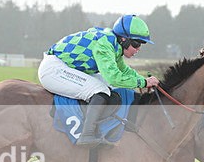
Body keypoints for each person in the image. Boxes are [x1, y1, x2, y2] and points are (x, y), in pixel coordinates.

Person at [37, 14, 160, 146]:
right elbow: (114, 78)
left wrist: (143, 80)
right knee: (100, 91)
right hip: (54, 69)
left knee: (110, 89)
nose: (138, 49)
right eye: (136, 44)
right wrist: (143, 83)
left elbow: (123, 70)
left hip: (68, 67)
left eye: (142, 44)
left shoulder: (115, 44)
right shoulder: (105, 45)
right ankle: (87, 134)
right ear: (124, 39)